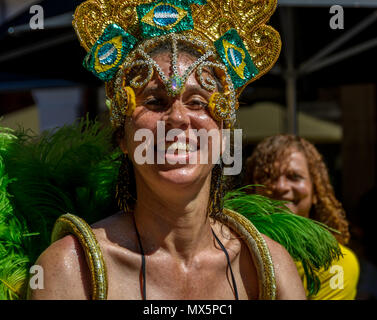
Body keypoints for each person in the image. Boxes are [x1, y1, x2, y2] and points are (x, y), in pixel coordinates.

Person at [244, 134, 360, 299]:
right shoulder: (233, 250)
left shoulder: (336, 262)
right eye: (267, 177)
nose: (281, 187)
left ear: (316, 191)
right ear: (251, 189)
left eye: (294, 177)